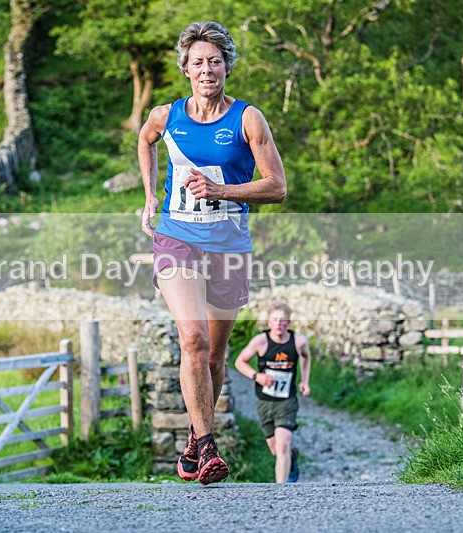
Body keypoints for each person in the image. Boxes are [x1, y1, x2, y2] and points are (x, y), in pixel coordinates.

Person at [138, 21, 287, 485]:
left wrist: (221, 189)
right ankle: (207, 448)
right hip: (176, 239)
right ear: (186, 69)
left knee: (215, 359)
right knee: (194, 339)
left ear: (226, 68)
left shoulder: (248, 119)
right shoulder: (166, 116)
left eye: (215, 61)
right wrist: (149, 196)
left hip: (229, 246)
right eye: (198, 62)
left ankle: (192, 438)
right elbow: (144, 141)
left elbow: (277, 187)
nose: (207, 70)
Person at [234, 301, 311, 483]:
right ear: (269, 322)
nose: (279, 324)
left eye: (283, 320)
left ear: (289, 323)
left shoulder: (299, 342)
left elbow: (306, 357)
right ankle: (292, 458)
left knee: (283, 443)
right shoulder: (260, 341)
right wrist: (257, 376)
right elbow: (239, 362)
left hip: (287, 400)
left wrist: (305, 381)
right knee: (276, 449)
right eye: (275, 320)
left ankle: (281, 489)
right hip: (265, 401)